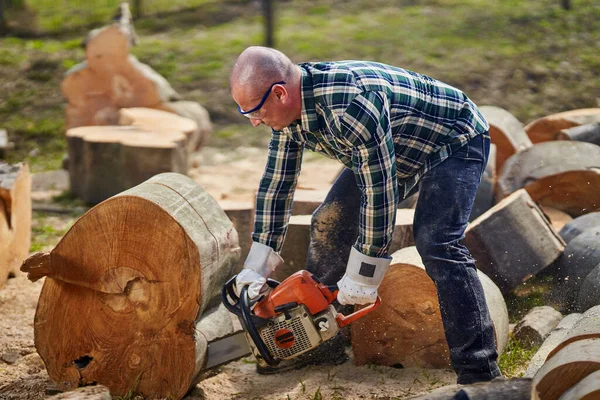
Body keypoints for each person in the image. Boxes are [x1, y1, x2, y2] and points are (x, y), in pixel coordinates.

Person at [229, 46, 502, 384]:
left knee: (437, 242)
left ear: (281, 93)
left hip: (452, 140)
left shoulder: (352, 105)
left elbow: (380, 191)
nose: (254, 121)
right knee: (328, 221)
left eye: (254, 111)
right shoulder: (286, 115)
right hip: (390, 147)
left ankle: (479, 370)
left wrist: (365, 271)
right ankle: (320, 340)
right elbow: (277, 184)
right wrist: (258, 263)